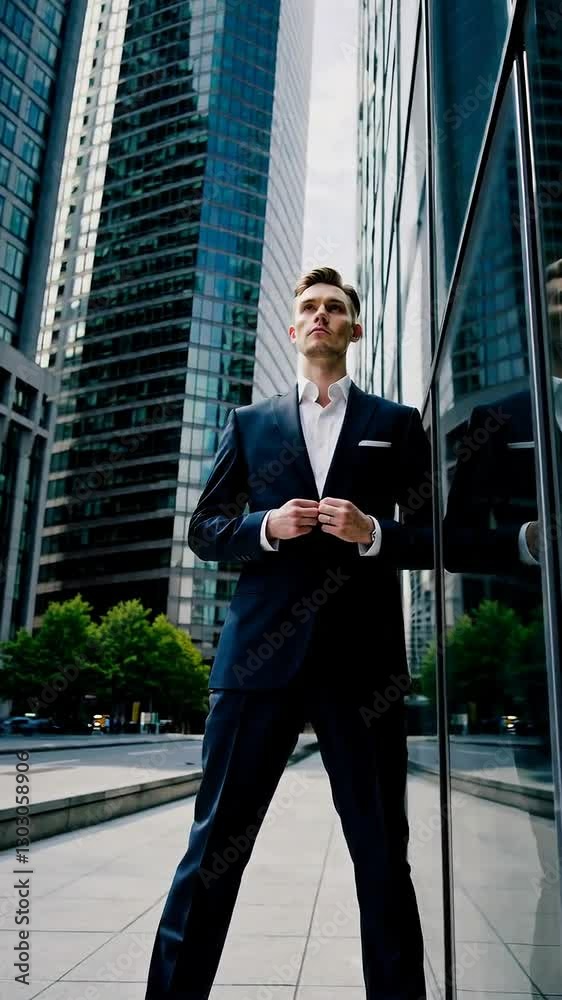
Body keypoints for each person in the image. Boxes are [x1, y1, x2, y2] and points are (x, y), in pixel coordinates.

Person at [145, 267, 433, 1000]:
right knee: (212, 852)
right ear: (292, 327)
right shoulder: (250, 423)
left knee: (382, 857)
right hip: (257, 668)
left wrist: (374, 534)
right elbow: (204, 530)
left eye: (335, 308)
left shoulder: (397, 425)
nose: (321, 316)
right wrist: (264, 527)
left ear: (354, 328)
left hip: (363, 671)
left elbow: (434, 536)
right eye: (309, 307)